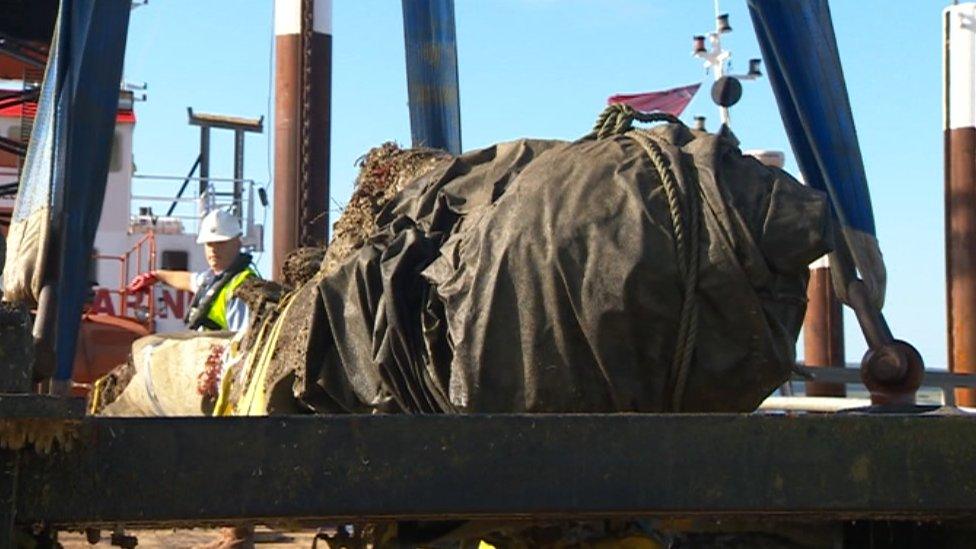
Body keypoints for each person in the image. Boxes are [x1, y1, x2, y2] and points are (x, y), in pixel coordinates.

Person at [127, 208, 257, 332]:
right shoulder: (213, 278)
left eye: (220, 243)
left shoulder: (242, 288)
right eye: (209, 243)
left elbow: (241, 341)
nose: (213, 249)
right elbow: (189, 280)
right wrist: (156, 276)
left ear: (237, 243)